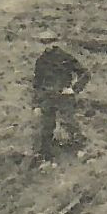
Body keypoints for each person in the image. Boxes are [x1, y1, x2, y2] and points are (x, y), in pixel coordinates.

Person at [32, 30, 91, 165]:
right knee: (47, 126)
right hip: (47, 97)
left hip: (64, 97)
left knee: (69, 122)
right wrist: (36, 104)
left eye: (50, 41)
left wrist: (73, 89)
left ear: (56, 42)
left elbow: (85, 74)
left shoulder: (65, 57)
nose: (46, 45)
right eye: (43, 42)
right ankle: (46, 157)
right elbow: (36, 83)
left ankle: (81, 150)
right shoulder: (40, 61)